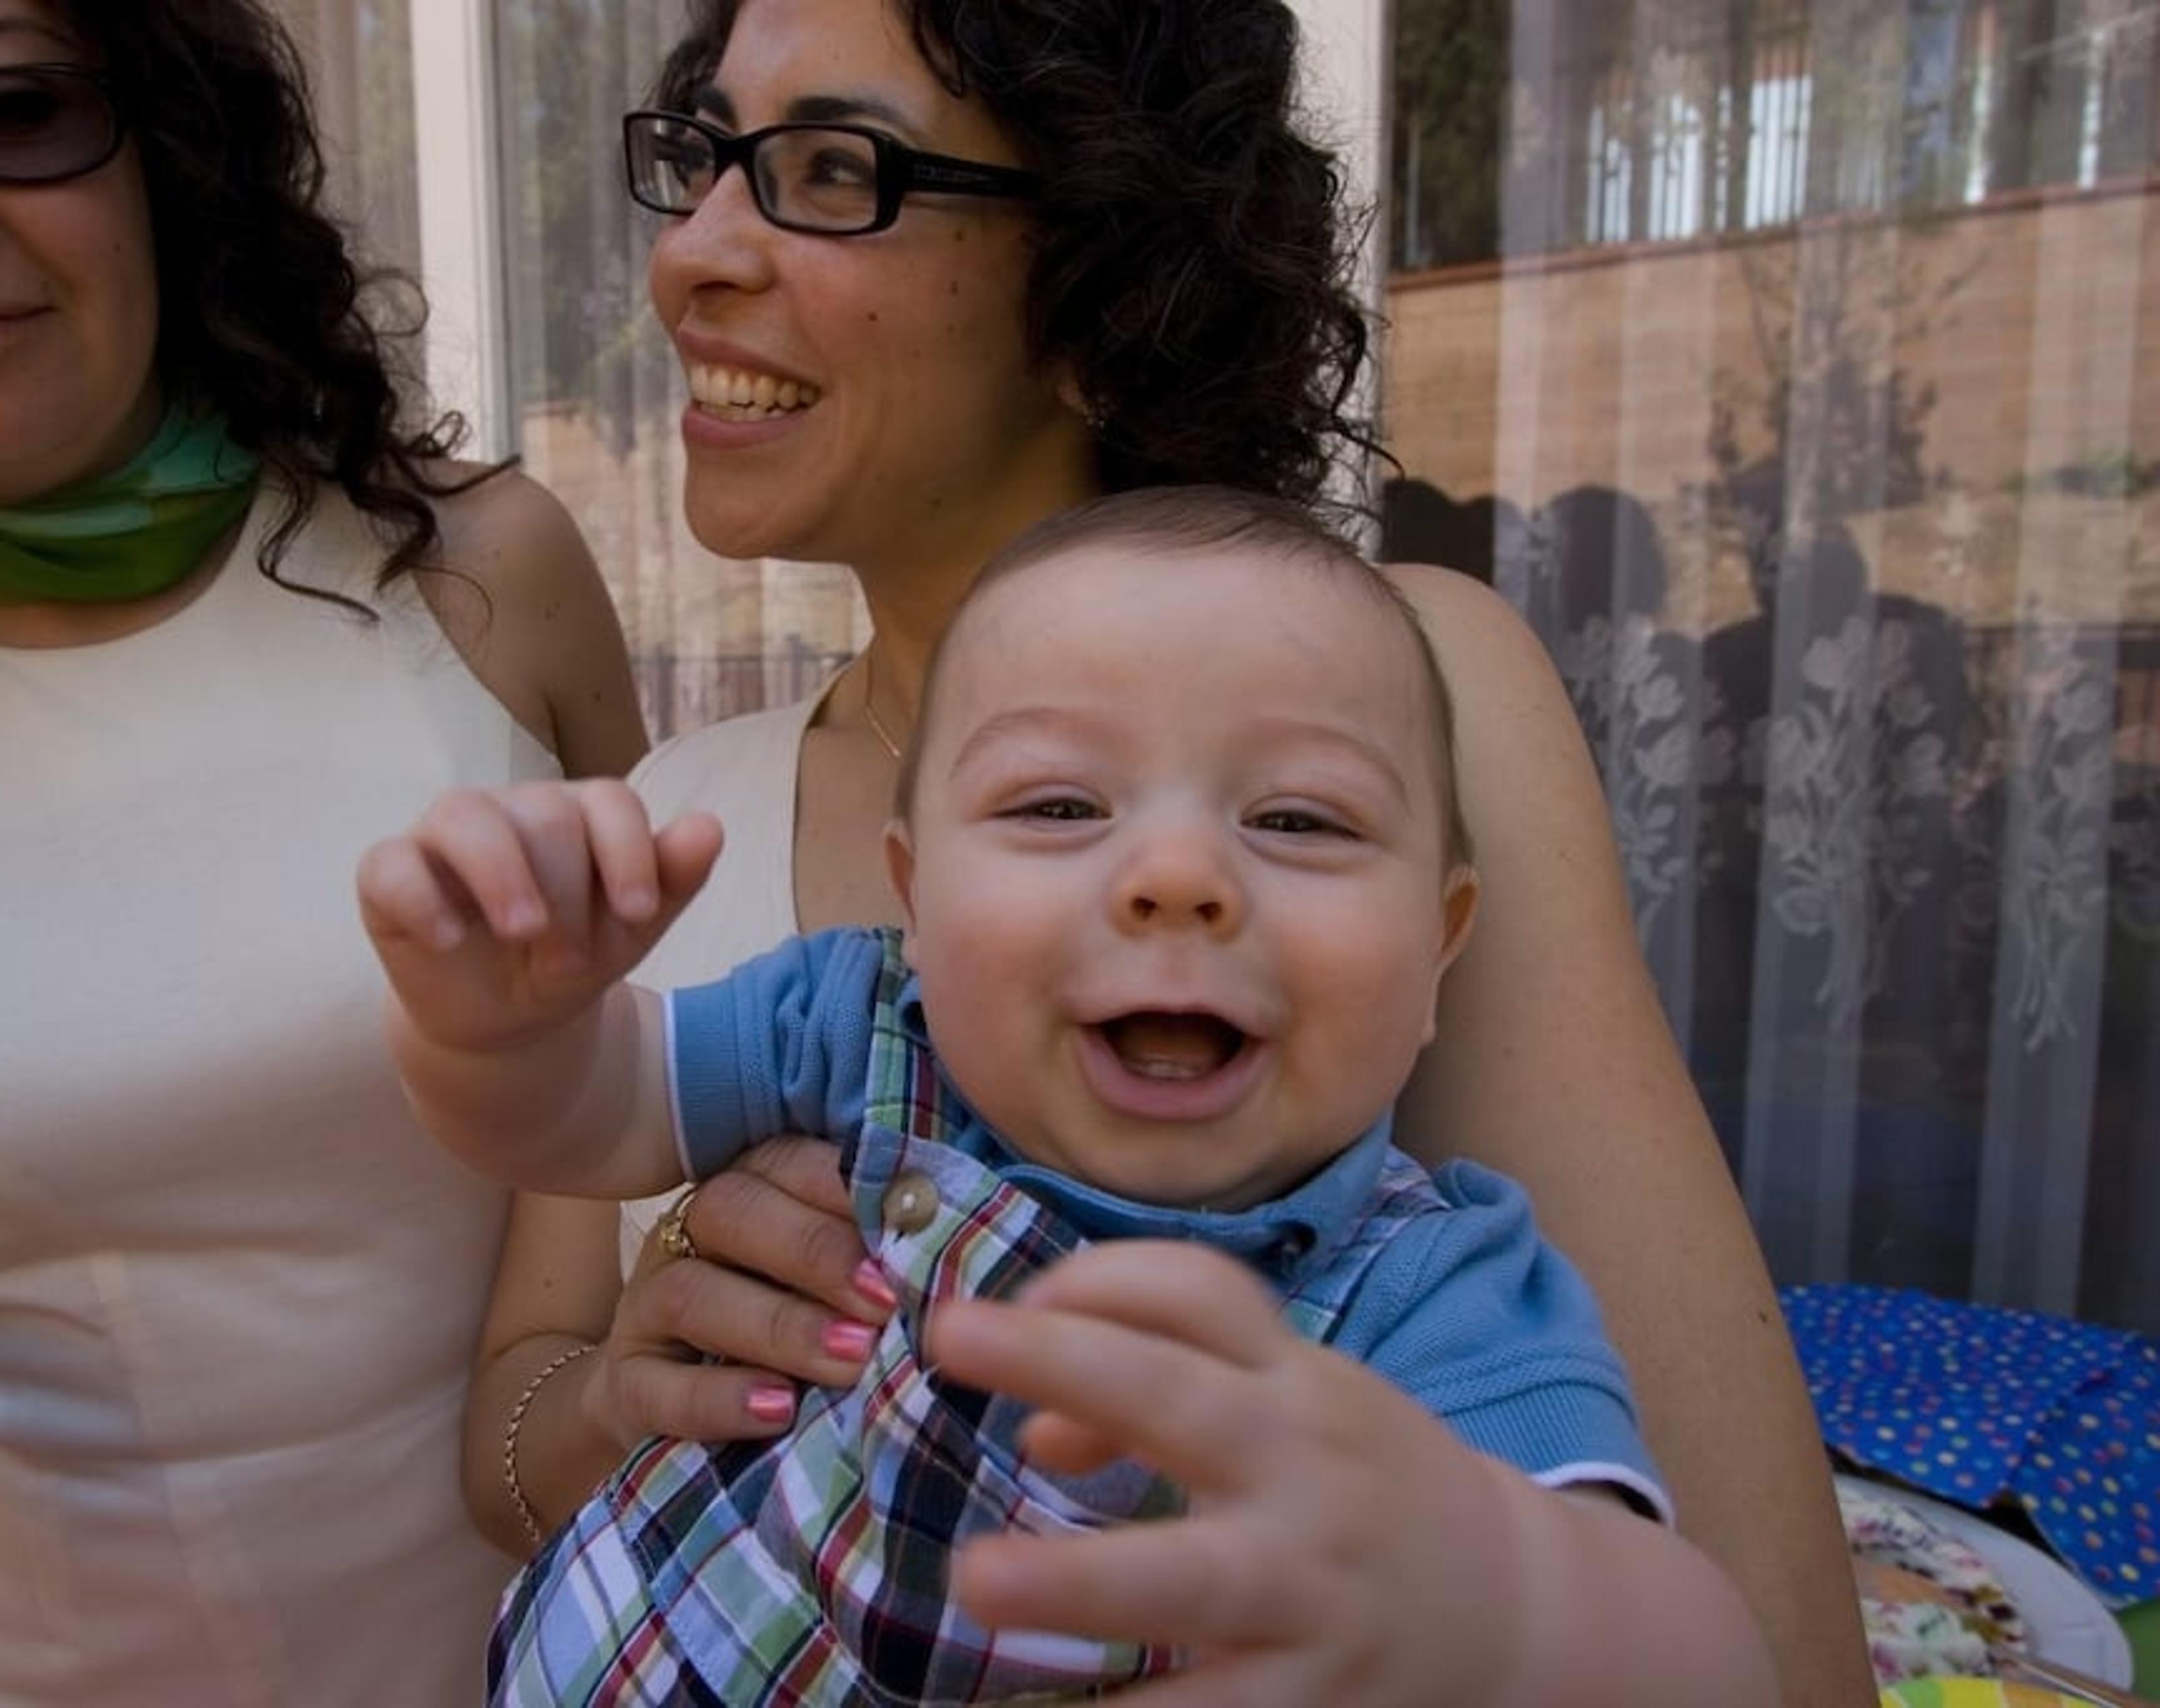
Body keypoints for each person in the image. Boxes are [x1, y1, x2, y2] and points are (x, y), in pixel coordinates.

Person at [463, 1, 1874, 1703]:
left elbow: (1754, 1633)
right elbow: (508, 1428)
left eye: (831, 168)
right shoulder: (680, 797)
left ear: (1104, 282)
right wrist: (632, 1386)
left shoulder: (1406, 701)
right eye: (702, 155)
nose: (690, 252)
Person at [0, 2, 642, 1704]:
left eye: (6, 103)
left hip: (590, 1639)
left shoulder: (482, 573)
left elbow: (683, 1086)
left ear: (167, 142)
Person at [368, 488, 1778, 1705]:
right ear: (917, 898)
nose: (1177, 875)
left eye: (1298, 818)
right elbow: (586, 1109)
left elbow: (1707, 1658)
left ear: (1438, 951)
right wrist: (505, 1023)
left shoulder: (1432, 1296)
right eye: (1058, 806)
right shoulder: (856, 1027)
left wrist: (1508, 1583)